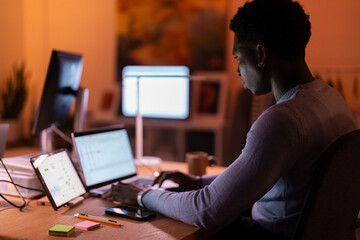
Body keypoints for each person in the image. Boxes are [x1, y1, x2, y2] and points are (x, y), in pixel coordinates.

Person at [103, 0, 356, 238]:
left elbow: (206, 211)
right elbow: (261, 174)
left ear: (260, 55)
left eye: (238, 57)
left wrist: (142, 195)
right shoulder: (330, 99)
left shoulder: (283, 120)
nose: (236, 70)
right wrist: (199, 181)